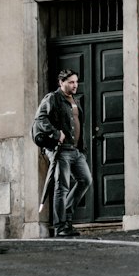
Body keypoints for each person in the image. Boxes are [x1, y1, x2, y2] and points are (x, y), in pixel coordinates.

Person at [32, 69, 92, 238]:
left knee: (85, 179)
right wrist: (56, 133)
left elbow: (79, 123)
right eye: (71, 82)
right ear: (61, 83)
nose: (75, 85)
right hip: (60, 151)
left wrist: (82, 149)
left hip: (75, 151)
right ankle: (60, 226)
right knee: (62, 187)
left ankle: (67, 215)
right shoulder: (52, 98)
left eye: (76, 82)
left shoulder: (75, 100)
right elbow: (40, 119)